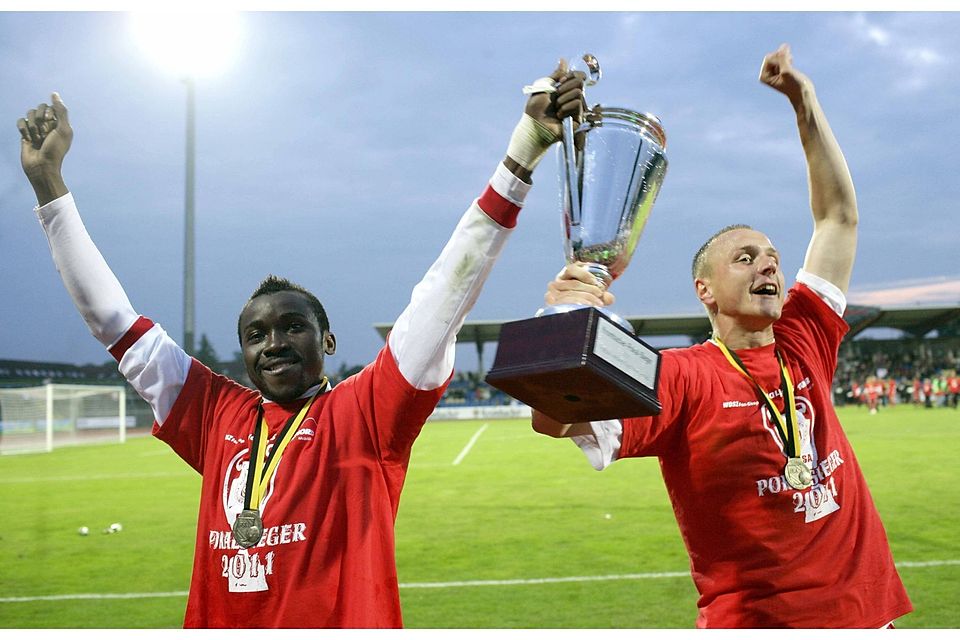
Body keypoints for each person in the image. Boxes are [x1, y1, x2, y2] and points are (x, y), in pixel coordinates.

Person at [17, 63, 585, 628]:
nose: (273, 343)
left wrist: (522, 151)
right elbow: (112, 321)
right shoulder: (216, 413)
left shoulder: (366, 411)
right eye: (255, 335)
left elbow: (443, 294)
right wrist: (49, 186)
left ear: (328, 340)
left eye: (293, 327)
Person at [530, 45, 912, 628]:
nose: (769, 266)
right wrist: (564, 322)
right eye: (745, 257)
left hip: (871, 616)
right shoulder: (682, 375)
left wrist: (804, 101)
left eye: (773, 257)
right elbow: (556, 419)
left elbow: (837, 218)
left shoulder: (804, 336)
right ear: (705, 290)